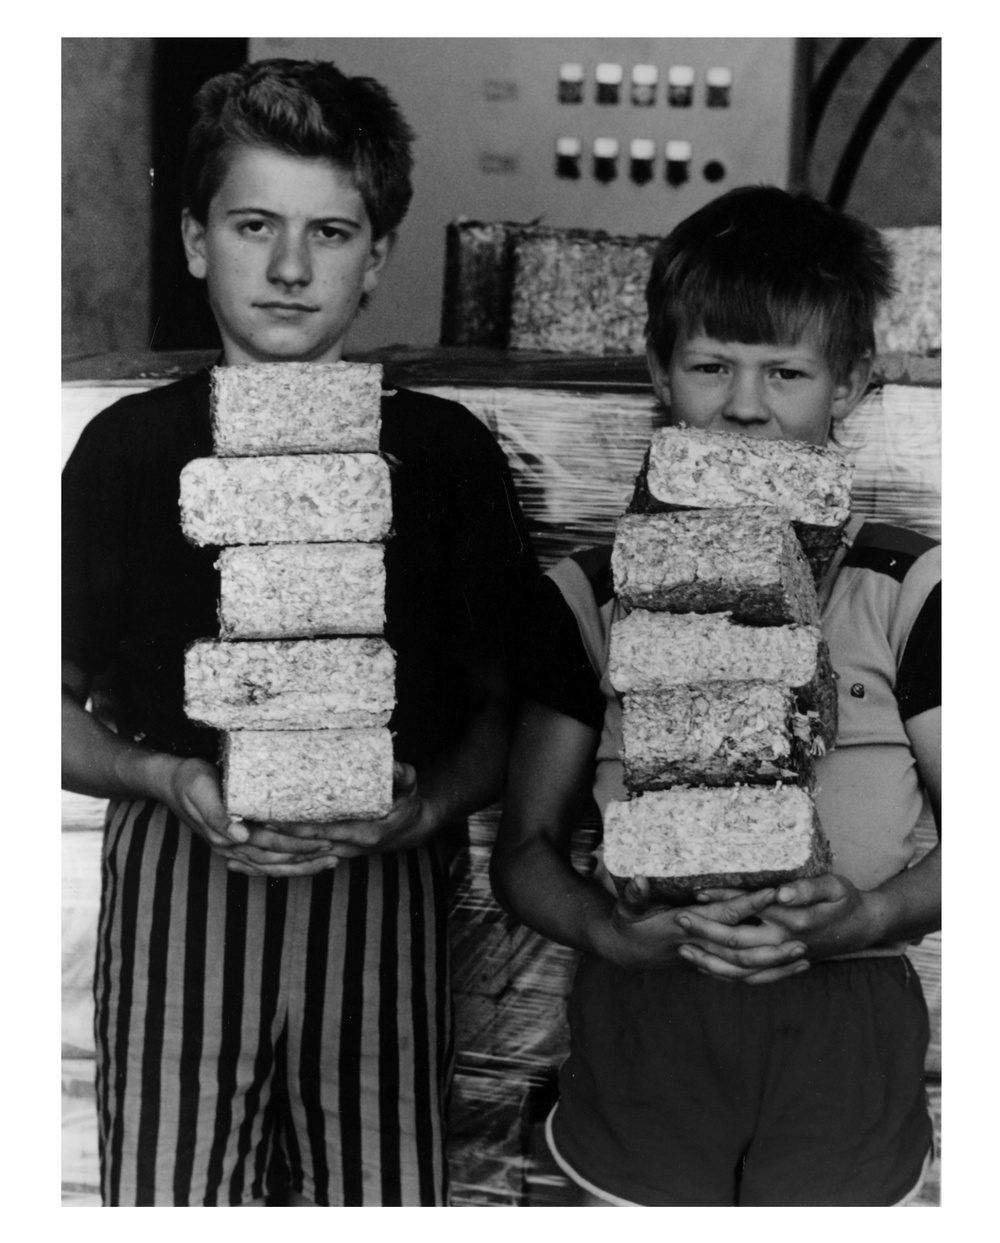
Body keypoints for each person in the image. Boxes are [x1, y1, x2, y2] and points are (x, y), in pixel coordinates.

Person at [62, 58, 537, 1207]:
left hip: (382, 904)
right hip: (184, 886)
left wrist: (422, 805)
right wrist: (162, 773)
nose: (288, 267)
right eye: (253, 224)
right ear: (192, 239)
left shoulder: (441, 454)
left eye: (329, 232)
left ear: (376, 256)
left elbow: (507, 710)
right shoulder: (129, 450)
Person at [490, 185, 940, 1207]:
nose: (745, 406)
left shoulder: (908, 590)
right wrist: (605, 929)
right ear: (659, 377)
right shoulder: (591, 595)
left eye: (786, 371)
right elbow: (524, 850)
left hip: (844, 1046)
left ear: (850, 384)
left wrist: (864, 913)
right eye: (709, 366)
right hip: (645, 1039)